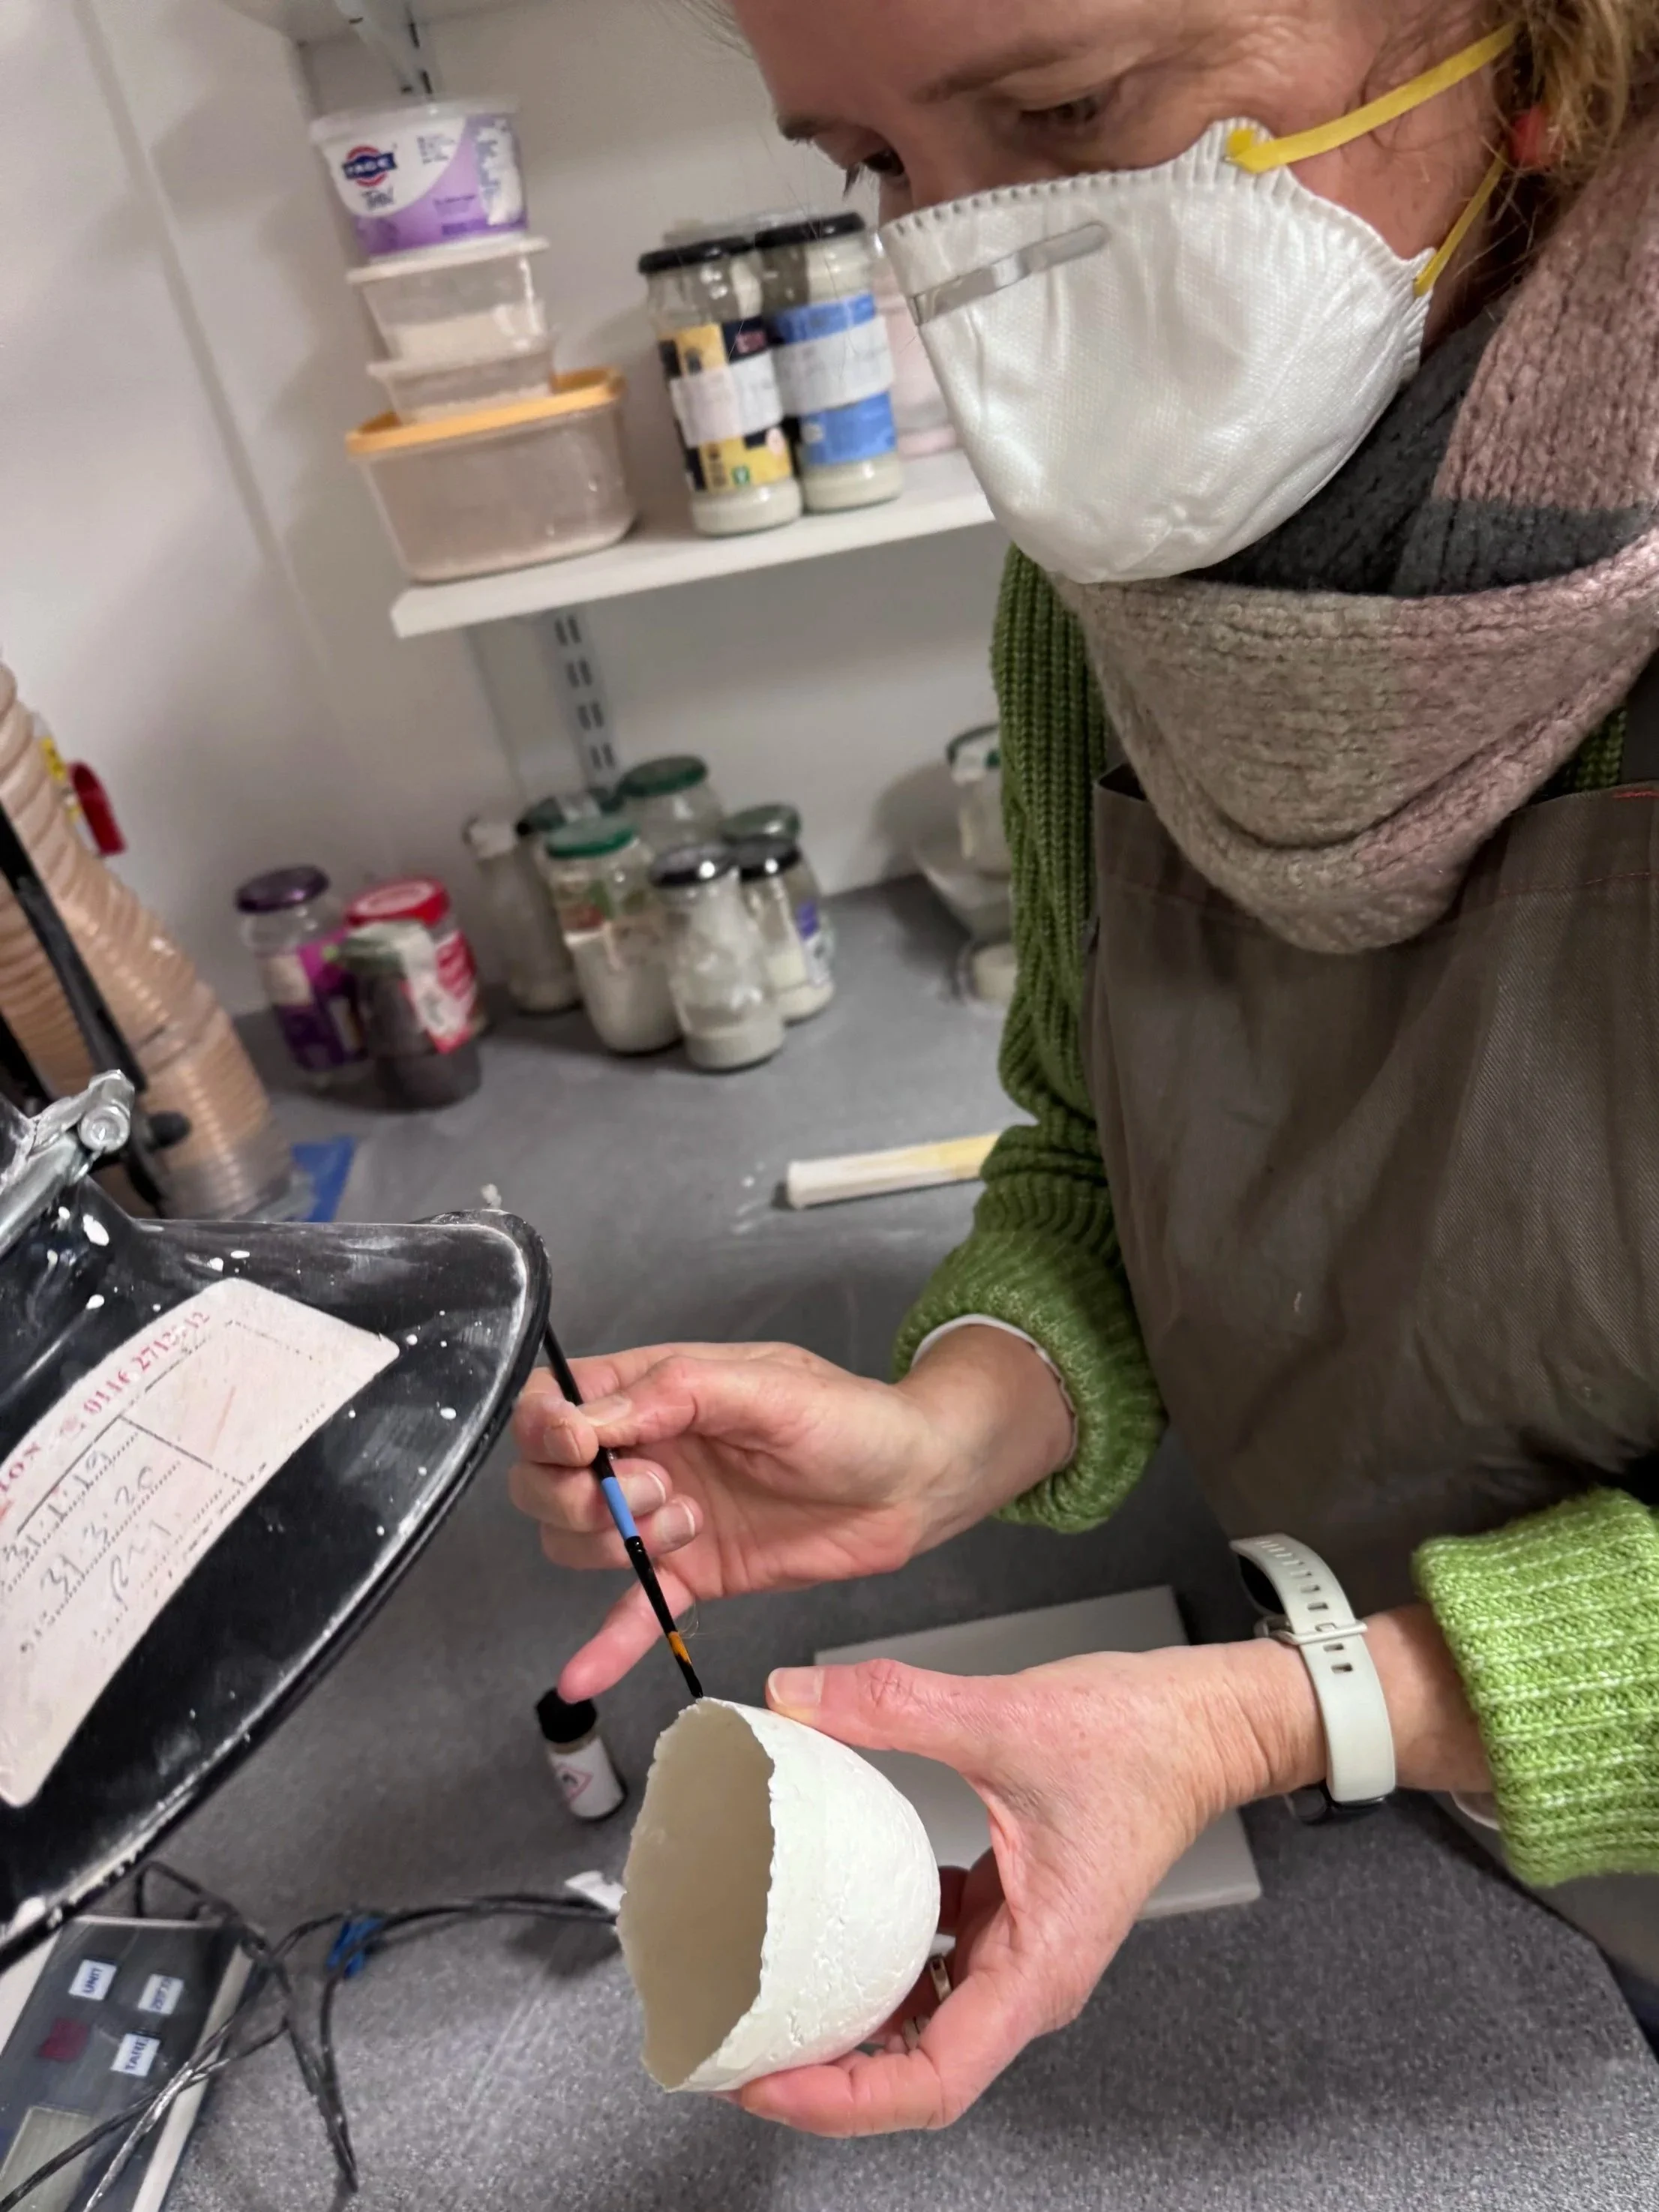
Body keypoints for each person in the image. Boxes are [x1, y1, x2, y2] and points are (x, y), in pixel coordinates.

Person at [512, 0, 1659, 2136]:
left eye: (1058, 113)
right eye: (873, 173)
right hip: (1353, 1756)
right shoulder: (1110, 602)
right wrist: (954, 1417)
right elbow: (1103, 1137)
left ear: (1531, 40)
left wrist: (1281, 1711)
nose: (974, 269)